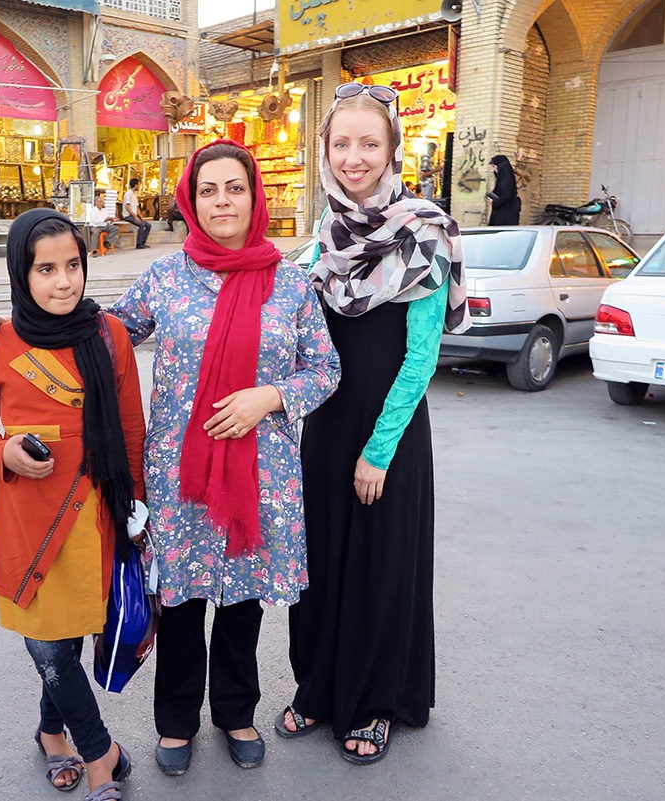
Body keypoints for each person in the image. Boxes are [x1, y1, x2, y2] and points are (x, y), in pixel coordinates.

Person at [0, 140, 341, 777]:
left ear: (255, 197)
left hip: (260, 472)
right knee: (182, 602)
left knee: (242, 602)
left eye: (234, 188)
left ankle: (235, 711)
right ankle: (175, 722)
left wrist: (271, 396)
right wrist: (10, 327)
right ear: (191, 203)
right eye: (208, 190)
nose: (222, 201)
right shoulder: (167, 278)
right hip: (179, 474)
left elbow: (326, 368)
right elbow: (95, 332)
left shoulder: (292, 283)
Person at [276, 83, 468, 766]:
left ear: (391, 150)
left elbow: (420, 359)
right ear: (324, 152)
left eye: (369, 143)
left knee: (381, 568)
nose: (354, 157)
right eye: (341, 144)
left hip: (389, 436)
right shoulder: (318, 243)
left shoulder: (424, 233)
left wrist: (378, 451)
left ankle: (374, 701)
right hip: (323, 429)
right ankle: (319, 687)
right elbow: (269, 325)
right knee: (319, 566)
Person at [0, 208, 146, 801]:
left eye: (73, 266)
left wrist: (135, 511)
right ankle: (100, 755)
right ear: (22, 273)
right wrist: (3, 451)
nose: (64, 282)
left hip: (94, 521)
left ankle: (50, 733)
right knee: (47, 644)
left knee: (64, 642)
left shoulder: (109, 335)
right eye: (46, 269)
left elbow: (131, 430)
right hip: (30, 525)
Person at [487, 154, 521, 225]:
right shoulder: (504, 178)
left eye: (494, 167)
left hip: (505, 215)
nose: (494, 170)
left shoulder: (506, 180)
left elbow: (505, 196)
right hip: (505, 213)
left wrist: (494, 201)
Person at [121, 178, 151, 249]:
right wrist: (135, 217)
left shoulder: (134, 195)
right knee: (141, 225)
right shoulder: (128, 194)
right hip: (128, 216)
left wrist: (141, 217)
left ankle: (143, 242)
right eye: (138, 185)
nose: (139, 186)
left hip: (134, 215)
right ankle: (139, 244)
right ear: (135, 185)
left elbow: (137, 207)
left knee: (148, 225)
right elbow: (127, 206)